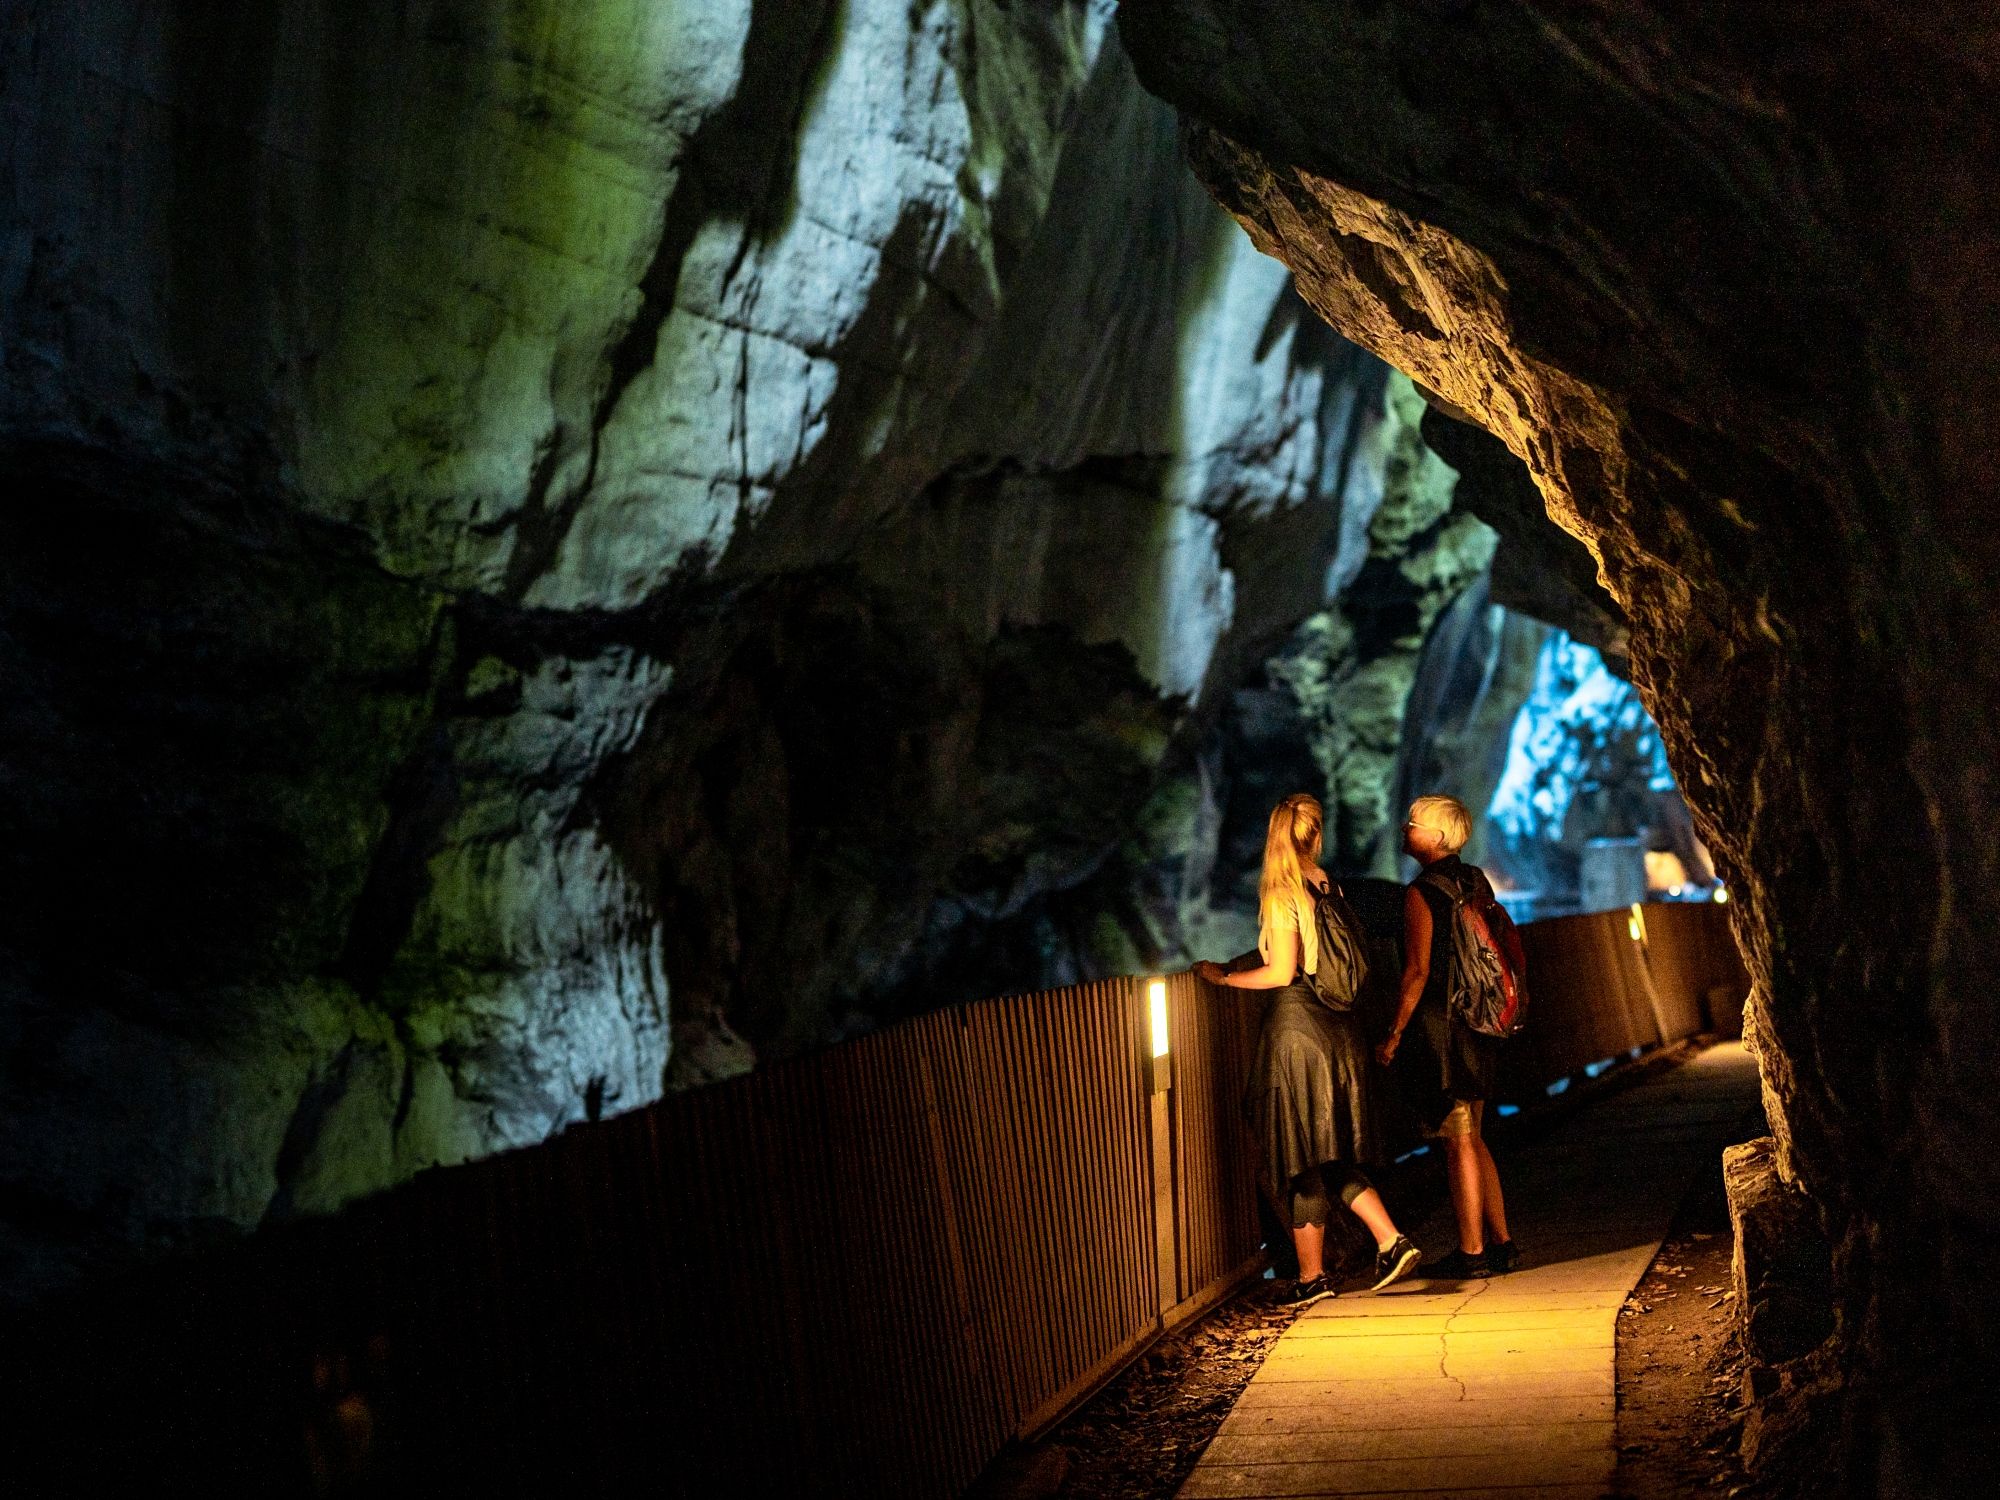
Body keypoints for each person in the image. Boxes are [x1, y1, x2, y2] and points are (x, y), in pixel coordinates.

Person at [1194, 793, 1422, 1306]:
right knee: (1329, 1151)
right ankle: (1390, 1240)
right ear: (1314, 835)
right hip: (1338, 1029)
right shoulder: (1325, 883)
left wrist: (1223, 976)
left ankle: (1311, 1278)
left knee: (1297, 1156)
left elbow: (1280, 972)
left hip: (1297, 1031)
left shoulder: (1282, 890)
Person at [1376, 794, 1520, 1279]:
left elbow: (1416, 971)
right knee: (1475, 1137)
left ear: (1434, 838)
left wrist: (1394, 1032)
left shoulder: (1422, 893)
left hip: (1444, 1031)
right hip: (1480, 1025)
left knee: (1457, 1141)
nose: (1405, 828)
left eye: (1413, 824)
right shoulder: (1475, 880)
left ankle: (1472, 1253)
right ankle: (1502, 1243)